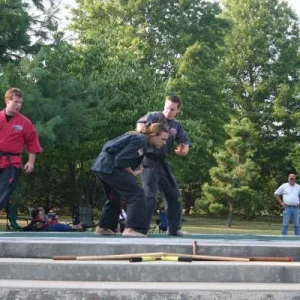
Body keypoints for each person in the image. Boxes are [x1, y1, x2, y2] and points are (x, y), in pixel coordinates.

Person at [91, 123, 169, 237]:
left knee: (114, 196)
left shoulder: (139, 138)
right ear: (154, 135)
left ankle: (103, 227)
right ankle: (130, 229)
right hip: (109, 167)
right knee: (136, 194)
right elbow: (120, 160)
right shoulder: (141, 140)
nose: (164, 142)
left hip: (101, 166)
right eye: (163, 139)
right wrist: (132, 172)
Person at [137, 95, 191, 236]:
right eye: (166, 107)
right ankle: (141, 230)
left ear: (178, 110)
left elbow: (185, 143)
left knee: (174, 195)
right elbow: (140, 126)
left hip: (162, 162)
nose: (168, 111)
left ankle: (173, 230)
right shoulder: (154, 116)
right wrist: (145, 132)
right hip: (148, 159)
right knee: (150, 195)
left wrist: (183, 149)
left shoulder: (177, 126)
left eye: (172, 109)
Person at [0, 88, 42, 211]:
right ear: (7, 101)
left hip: (12, 162)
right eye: (16, 102)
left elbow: (32, 143)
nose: (19, 105)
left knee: (5, 188)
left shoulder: (25, 122)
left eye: (20, 103)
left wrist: (31, 162)